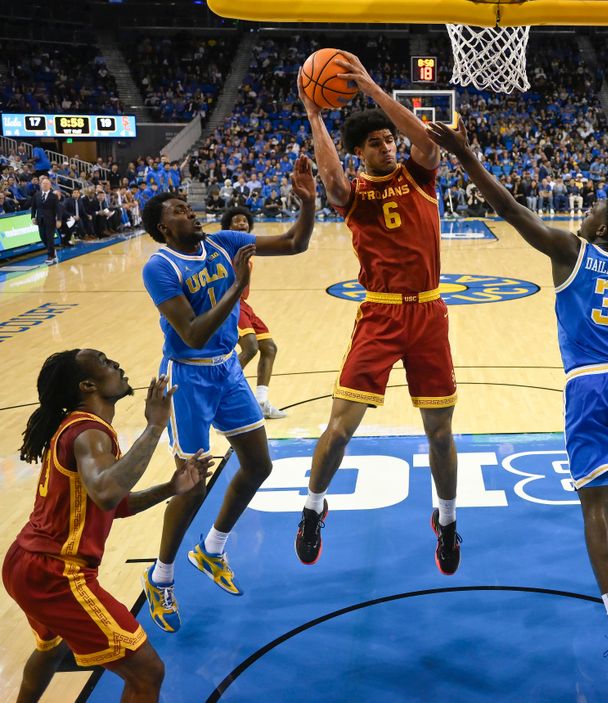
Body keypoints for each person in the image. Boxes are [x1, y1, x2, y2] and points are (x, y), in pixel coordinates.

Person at [427, 120, 608, 683]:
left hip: (586, 388)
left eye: (591, 211)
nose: (580, 216)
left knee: (596, 510)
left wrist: (463, 154)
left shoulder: (569, 249)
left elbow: (508, 207)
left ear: (600, 224)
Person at [294, 52, 461, 575]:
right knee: (340, 427)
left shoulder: (420, 175)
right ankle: (313, 509)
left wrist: (370, 86)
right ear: (359, 153)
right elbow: (332, 181)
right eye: (376, 142)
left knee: (440, 430)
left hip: (429, 314)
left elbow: (428, 140)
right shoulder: (354, 195)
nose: (388, 146)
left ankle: (448, 520)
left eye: (389, 139)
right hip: (381, 315)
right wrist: (315, 115)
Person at [139, 155, 316, 633]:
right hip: (188, 377)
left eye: (188, 206)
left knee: (259, 464)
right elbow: (192, 334)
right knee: (191, 483)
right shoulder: (160, 267)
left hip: (226, 371)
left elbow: (296, 243)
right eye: (178, 210)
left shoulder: (222, 241)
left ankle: (212, 548)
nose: (190, 212)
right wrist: (237, 288)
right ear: (162, 226)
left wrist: (308, 202)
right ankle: (162, 576)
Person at [3, 350, 212, 703]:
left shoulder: (81, 428)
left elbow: (109, 504)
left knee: (51, 651)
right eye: (104, 362)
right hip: (57, 573)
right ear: (88, 385)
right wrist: (156, 425)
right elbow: (107, 493)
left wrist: (170, 489)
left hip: (26, 563)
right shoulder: (89, 432)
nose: (116, 363)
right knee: (148, 672)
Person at [221, 206, 286, 419]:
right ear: (228, 229)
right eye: (237, 222)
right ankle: (223, 398)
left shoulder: (249, 248)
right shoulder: (227, 249)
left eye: (244, 221)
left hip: (243, 304)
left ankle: (261, 401)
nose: (242, 224)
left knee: (269, 348)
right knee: (249, 348)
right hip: (230, 302)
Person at [30, 177, 59, 265]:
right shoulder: (37, 195)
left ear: (50, 185)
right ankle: (52, 251)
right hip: (40, 220)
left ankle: (50, 256)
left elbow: (57, 209)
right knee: (43, 237)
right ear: (41, 185)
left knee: (49, 238)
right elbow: (33, 207)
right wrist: (32, 217)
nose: (45, 185)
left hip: (51, 220)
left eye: (47, 184)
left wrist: (58, 219)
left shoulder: (54, 196)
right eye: (43, 183)